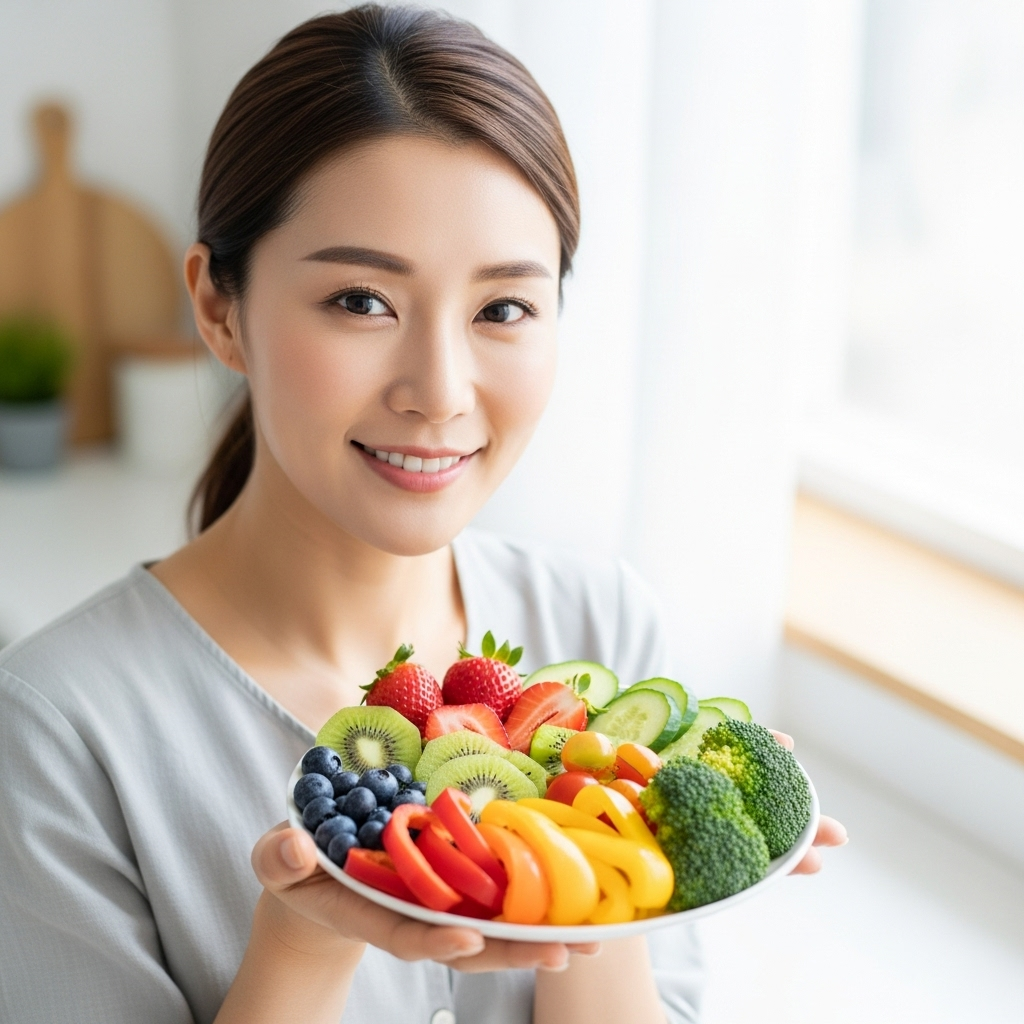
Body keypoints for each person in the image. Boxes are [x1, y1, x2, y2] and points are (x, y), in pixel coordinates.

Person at [0, 6, 846, 1023]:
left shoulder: (606, 636)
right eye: (362, 300)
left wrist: (617, 872)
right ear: (220, 307)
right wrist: (306, 942)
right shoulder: (52, 732)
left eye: (502, 309)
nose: (440, 390)